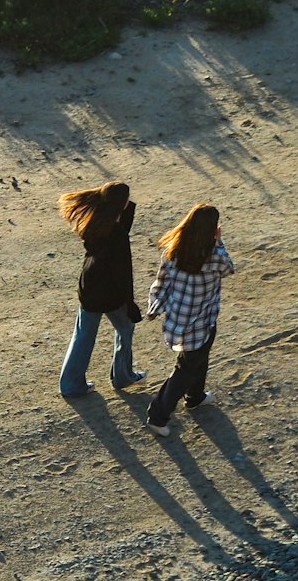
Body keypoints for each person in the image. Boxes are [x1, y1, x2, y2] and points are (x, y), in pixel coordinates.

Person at [145, 203, 235, 437]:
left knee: (199, 357)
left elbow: (162, 281)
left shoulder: (173, 249)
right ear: (212, 230)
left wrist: (155, 305)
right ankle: (158, 415)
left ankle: (195, 396)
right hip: (202, 321)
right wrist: (219, 242)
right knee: (185, 367)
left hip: (178, 318)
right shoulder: (214, 255)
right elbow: (229, 269)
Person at [58, 180, 147, 399]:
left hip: (88, 287)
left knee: (83, 336)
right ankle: (123, 376)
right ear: (121, 204)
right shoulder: (116, 234)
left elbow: (120, 229)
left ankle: (70, 385)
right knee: (125, 328)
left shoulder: (95, 221)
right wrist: (130, 303)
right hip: (110, 294)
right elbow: (122, 273)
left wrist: (124, 206)